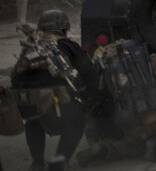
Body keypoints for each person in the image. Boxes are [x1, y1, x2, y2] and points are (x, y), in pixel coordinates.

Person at [11, 10, 97, 171]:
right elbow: (89, 72)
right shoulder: (67, 44)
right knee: (78, 121)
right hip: (56, 103)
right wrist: (91, 94)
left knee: (33, 120)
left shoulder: (31, 45)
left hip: (28, 104)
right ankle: (60, 160)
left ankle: (37, 162)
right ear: (63, 29)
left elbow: (15, 76)